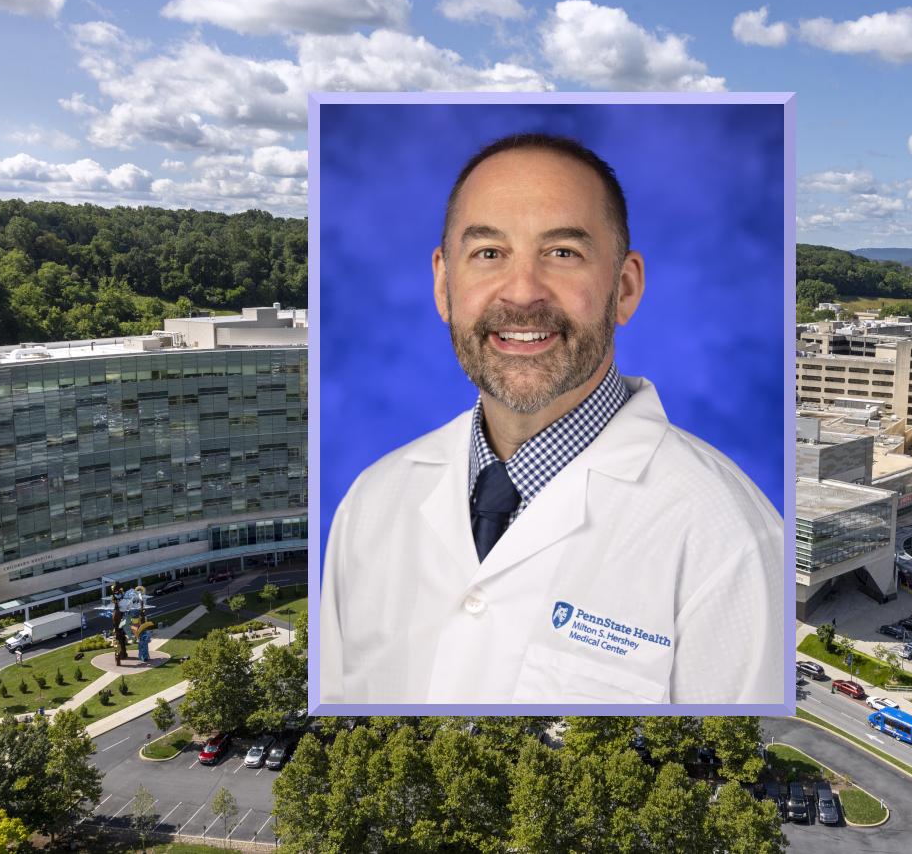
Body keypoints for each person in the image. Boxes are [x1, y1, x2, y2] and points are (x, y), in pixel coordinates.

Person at [320, 131, 783, 705]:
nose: (521, 293)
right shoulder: (370, 504)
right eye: (488, 253)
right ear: (444, 284)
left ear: (625, 288)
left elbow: (732, 777)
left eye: (562, 253)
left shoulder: (728, 537)